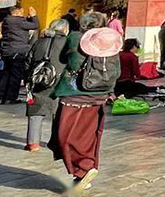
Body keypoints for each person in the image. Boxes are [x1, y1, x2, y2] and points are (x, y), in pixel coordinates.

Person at [49, 12, 121, 193]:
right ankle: (84, 172)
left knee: (66, 135)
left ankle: (83, 169)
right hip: (99, 96)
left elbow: (61, 59)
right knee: (90, 136)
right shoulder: (110, 41)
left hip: (73, 95)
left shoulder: (74, 38)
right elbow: (117, 71)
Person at [25, 19, 69, 152]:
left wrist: (28, 78)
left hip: (38, 80)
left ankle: (32, 143)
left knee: (35, 111)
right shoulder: (67, 44)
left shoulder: (39, 42)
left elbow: (28, 61)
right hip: (59, 81)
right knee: (59, 113)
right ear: (65, 30)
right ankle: (56, 142)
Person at [0, 2, 39, 104]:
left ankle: (1, 97)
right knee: (16, 75)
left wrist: (27, 19)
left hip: (7, 51)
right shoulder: (18, 21)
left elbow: (20, 29)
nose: (23, 14)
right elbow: (35, 25)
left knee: (6, 74)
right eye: (22, 12)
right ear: (17, 12)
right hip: (18, 51)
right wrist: (34, 16)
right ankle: (11, 98)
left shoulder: (6, 21)